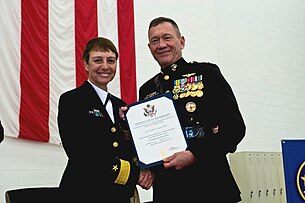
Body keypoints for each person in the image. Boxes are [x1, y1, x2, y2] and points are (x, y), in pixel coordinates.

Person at [138, 17, 246, 202]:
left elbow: (235, 129)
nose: (161, 45)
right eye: (155, 40)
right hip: (168, 191)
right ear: (150, 48)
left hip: (211, 187)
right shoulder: (147, 89)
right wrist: (145, 166)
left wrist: (195, 155)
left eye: (167, 37)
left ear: (181, 42)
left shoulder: (207, 74)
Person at [57, 37, 152, 203]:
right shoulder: (71, 101)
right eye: (97, 60)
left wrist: (147, 167)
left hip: (118, 195)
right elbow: (82, 154)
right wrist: (135, 174)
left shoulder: (120, 106)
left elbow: (127, 148)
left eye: (111, 60)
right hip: (83, 193)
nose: (105, 66)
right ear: (86, 64)